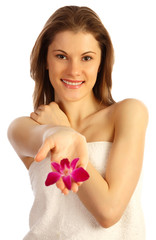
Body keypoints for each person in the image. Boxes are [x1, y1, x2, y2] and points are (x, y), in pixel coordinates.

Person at [8, 5, 148, 240]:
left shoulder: (127, 113)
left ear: (101, 62)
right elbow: (44, 137)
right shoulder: (25, 127)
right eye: (61, 56)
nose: (74, 70)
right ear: (46, 60)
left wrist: (65, 131)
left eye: (86, 58)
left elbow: (108, 211)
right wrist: (57, 130)